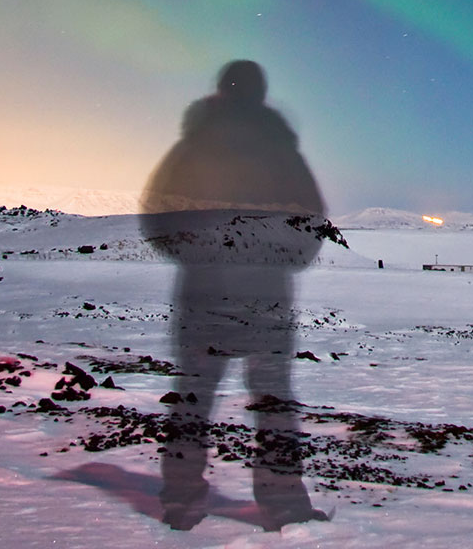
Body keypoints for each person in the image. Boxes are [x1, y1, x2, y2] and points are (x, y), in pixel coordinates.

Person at [139, 60, 340, 531]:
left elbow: (158, 219)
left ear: (220, 91)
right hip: (266, 299)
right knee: (273, 403)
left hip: (202, 296)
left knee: (192, 399)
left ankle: (182, 501)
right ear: (261, 94)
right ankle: (284, 504)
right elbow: (312, 225)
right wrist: (272, 259)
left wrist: (202, 256)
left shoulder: (189, 149)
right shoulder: (282, 153)